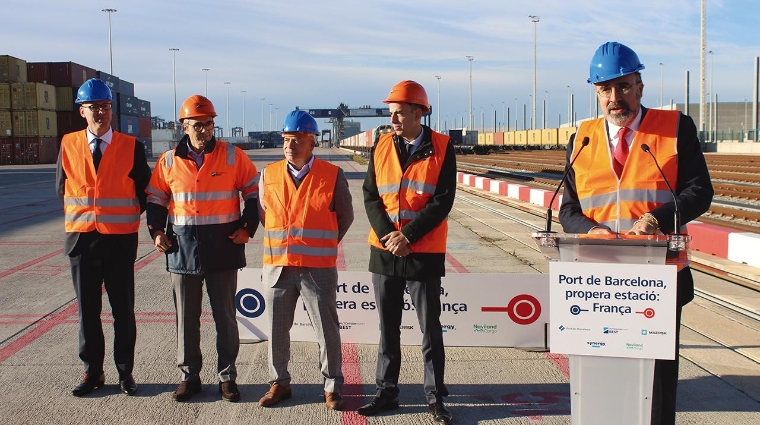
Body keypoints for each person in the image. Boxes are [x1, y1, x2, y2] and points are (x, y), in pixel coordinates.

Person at [559, 42, 714, 425]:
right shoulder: (583, 137)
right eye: (605, 90)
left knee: (656, 383)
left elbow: (699, 191)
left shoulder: (675, 127)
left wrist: (656, 219)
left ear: (640, 86)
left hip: (657, 277)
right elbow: (567, 210)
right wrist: (591, 229)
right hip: (597, 281)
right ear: (595, 92)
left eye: (624, 87)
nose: (616, 98)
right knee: (602, 376)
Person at [145, 95, 259, 403]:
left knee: (225, 316)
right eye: (197, 125)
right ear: (184, 126)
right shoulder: (167, 161)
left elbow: (252, 195)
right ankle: (189, 376)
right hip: (182, 248)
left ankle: (228, 377)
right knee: (186, 317)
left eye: (209, 124)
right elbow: (155, 201)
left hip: (223, 246)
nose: (204, 131)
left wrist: (247, 229)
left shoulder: (233, 157)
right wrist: (156, 232)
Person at [360, 80, 457, 424]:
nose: (394, 120)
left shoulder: (443, 147)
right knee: (388, 328)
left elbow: (442, 200)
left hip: (423, 251)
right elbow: (371, 195)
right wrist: (390, 236)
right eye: (391, 114)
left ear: (419, 112)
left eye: (399, 113)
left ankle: (435, 397)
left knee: (430, 328)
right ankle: (386, 391)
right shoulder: (382, 145)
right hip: (385, 250)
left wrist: (408, 236)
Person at [56, 78, 151, 397]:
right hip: (82, 241)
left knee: (123, 310)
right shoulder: (68, 144)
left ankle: (125, 373)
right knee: (87, 311)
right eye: (94, 107)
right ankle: (92, 372)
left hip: (120, 242)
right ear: (82, 111)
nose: (101, 113)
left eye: (106, 107)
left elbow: (144, 192)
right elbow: (62, 188)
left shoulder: (131, 146)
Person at [257, 110, 353, 410]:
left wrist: (321, 243)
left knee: (327, 329)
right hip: (278, 266)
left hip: (317, 269)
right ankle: (279, 383)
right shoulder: (268, 174)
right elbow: (264, 215)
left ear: (312, 141)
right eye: (286, 140)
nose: (290, 146)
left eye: (297, 140)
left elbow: (345, 217)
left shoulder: (332, 174)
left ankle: (332, 386)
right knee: (276, 329)